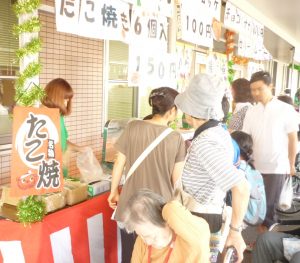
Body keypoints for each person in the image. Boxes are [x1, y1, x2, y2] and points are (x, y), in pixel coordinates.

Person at [174, 73, 250, 263]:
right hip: (203, 216)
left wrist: (235, 231)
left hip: (200, 219)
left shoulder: (206, 142)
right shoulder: (217, 132)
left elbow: (241, 187)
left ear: (191, 111)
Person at [108, 87, 186, 263]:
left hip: (130, 206)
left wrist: (114, 191)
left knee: (131, 253)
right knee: (157, 256)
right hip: (158, 212)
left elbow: (119, 162)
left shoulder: (133, 127)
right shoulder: (176, 138)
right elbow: (177, 180)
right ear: (172, 110)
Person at [242, 71, 299, 232]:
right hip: (254, 167)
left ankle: (265, 243)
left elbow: (293, 139)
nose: (255, 93)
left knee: (270, 207)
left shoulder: (286, 109)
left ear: (270, 86)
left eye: (259, 89)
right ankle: (262, 241)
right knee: (256, 205)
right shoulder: (251, 111)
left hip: (277, 166)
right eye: (252, 90)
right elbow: (247, 139)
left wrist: (291, 163)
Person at [123, 189, 211, 263]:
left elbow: (171, 210)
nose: (148, 242)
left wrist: (166, 209)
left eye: (152, 236)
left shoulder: (192, 238)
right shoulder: (142, 242)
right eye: (141, 236)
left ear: (166, 221)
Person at [42, 78, 87, 177]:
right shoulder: (41, 117)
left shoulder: (59, 116)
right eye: (65, 98)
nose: (67, 102)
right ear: (55, 97)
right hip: (47, 175)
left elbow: (63, 141)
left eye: (68, 99)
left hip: (60, 172)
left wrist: (81, 149)